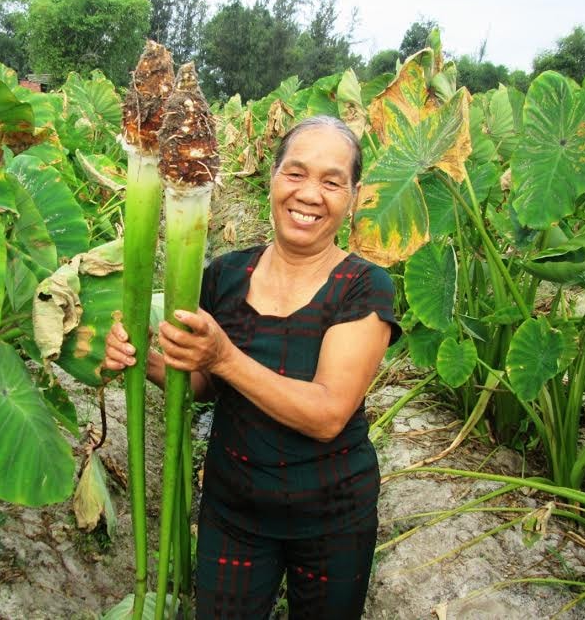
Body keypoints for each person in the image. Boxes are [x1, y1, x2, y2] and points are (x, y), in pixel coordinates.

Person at [105, 115, 401, 619]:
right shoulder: (227, 273)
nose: (309, 194)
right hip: (234, 509)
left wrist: (224, 355)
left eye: (332, 182)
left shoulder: (363, 285)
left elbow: (328, 413)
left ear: (353, 197)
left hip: (332, 517)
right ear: (272, 178)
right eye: (296, 173)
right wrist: (145, 362)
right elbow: (205, 385)